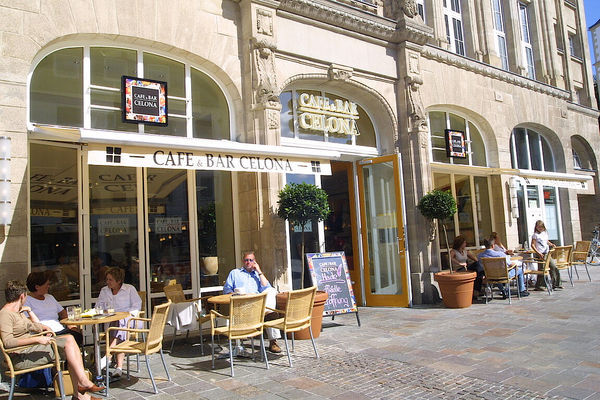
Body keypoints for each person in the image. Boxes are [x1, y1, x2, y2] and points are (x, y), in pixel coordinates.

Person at [0, 281, 103, 399]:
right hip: (21, 356)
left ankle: (81, 390)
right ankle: (81, 389)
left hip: (30, 350)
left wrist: (37, 319)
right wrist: (38, 339)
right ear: (22, 296)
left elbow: (34, 325)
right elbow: (8, 342)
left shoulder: (18, 312)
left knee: (70, 344)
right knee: (70, 345)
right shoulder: (5, 315)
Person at [223, 251, 282, 353]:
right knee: (269, 314)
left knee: (271, 290)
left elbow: (266, 286)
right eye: (246, 260)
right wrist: (238, 294)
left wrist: (259, 271)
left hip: (257, 305)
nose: (248, 262)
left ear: (255, 262)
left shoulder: (256, 275)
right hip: (242, 305)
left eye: (251, 260)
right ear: (243, 261)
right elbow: (226, 291)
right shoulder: (235, 273)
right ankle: (268, 314)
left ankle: (273, 340)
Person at [96, 267, 142, 379]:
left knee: (119, 325)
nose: (108, 282)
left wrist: (125, 316)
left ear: (119, 280)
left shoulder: (129, 289)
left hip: (131, 321)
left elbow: (137, 306)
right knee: (117, 330)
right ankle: (119, 367)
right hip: (112, 322)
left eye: (110, 280)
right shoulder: (104, 290)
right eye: (107, 279)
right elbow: (98, 306)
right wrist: (104, 311)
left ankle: (108, 356)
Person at [24, 271, 83, 346]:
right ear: (37, 287)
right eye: (47, 284)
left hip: (60, 330)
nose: (49, 286)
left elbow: (63, 313)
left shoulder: (50, 297)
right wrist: (44, 329)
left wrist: (71, 326)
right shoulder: (27, 300)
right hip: (45, 333)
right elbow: (28, 321)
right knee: (71, 337)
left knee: (77, 335)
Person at [531, 220, 561, 290]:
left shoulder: (545, 233)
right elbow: (532, 245)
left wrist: (551, 244)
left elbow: (546, 241)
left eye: (541, 227)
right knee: (542, 269)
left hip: (547, 253)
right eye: (538, 227)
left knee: (554, 267)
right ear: (536, 227)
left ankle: (556, 284)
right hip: (541, 254)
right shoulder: (535, 235)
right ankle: (540, 285)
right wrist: (538, 253)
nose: (540, 228)